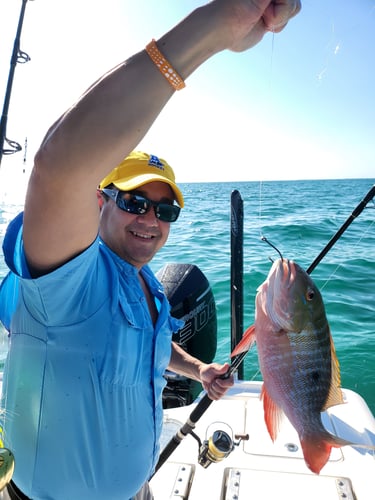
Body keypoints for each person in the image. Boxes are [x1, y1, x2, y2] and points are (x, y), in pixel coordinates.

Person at [0, 1, 301, 499]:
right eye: (135, 201)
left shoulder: (151, 291)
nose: (150, 219)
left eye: (166, 211)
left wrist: (198, 369)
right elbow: (58, 167)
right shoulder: (69, 280)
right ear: (99, 199)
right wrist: (213, 28)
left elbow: (151, 349)